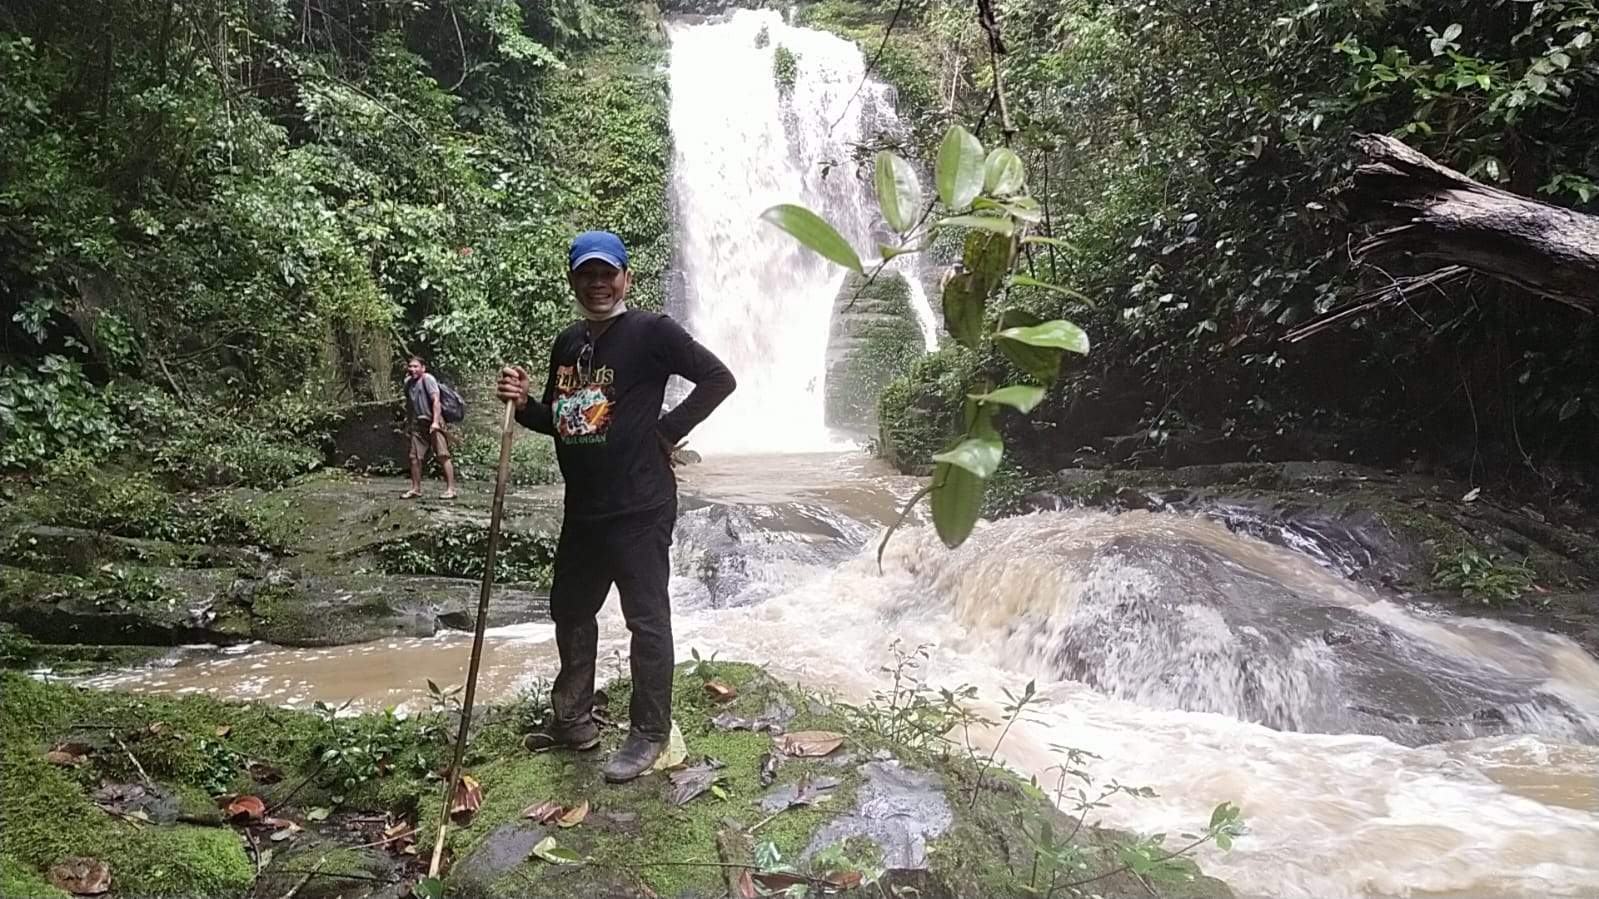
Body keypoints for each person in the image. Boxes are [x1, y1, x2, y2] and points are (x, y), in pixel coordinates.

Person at [496, 230, 735, 783]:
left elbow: (719, 378)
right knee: (571, 610)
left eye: (608, 273)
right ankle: (573, 719)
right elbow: (566, 419)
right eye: (587, 274)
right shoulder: (568, 343)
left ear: (626, 277)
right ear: (573, 279)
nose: (598, 283)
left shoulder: (651, 331)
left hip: (640, 505)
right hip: (584, 509)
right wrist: (524, 404)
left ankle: (648, 732)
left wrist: (666, 430)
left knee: (646, 619)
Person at [402, 356, 458, 500]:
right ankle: (416, 489)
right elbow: (409, 405)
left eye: (416, 366)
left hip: (434, 421)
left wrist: (435, 422)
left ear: (423, 368)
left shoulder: (428, 379)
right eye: (410, 366)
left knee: (442, 455)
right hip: (418, 424)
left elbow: (436, 401)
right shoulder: (408, 383)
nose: (413, 369)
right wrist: (409, 423)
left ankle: (451, 489)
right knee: (414, 457)